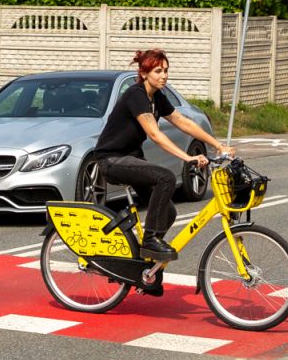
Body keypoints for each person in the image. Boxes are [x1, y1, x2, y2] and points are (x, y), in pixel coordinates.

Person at [89, 48, 233, 263]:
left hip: (131, 158)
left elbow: (182, 121)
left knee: (168, 213)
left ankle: (144, 266)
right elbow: (155, 135)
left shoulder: (156, 97)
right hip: (111, 160)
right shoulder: (135, 95)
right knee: (165, 177)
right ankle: (149, 242)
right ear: (144, 73)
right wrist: (188, 158)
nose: (164, 75)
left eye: (166, 70)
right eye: (158, 71)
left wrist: (218, 145)